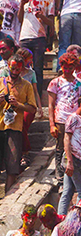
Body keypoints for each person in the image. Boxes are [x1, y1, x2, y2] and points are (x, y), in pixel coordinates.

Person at [48, 53, 81, 182]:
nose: (67, 71)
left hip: (75, 120)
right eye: (65, 68)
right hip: (61, 119)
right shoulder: (55, 82)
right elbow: (50, 104)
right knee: (60, 146)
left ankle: (75, 172)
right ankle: (60, 173)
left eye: (70, 68)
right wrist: (51, 124)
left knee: (76, 145)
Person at [0, 55, 36, 189]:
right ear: (8, 66)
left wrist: (19, 104)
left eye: (18, 70)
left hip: (15, 127)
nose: (15, 72)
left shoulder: (26, 85)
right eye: (13, 68)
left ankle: (8, 194)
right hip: (0, 125)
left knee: (13, 163)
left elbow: (32, 108)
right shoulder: (1, 81)